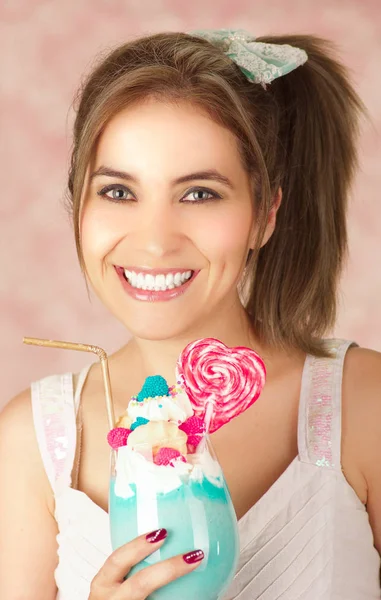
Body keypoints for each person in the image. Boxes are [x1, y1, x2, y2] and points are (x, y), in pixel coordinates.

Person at [0, 28, 380, 600]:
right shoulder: (33, 441)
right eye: (119, 192)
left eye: (199, 193)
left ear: (265, 214)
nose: (154, 242)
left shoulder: (363, 404)